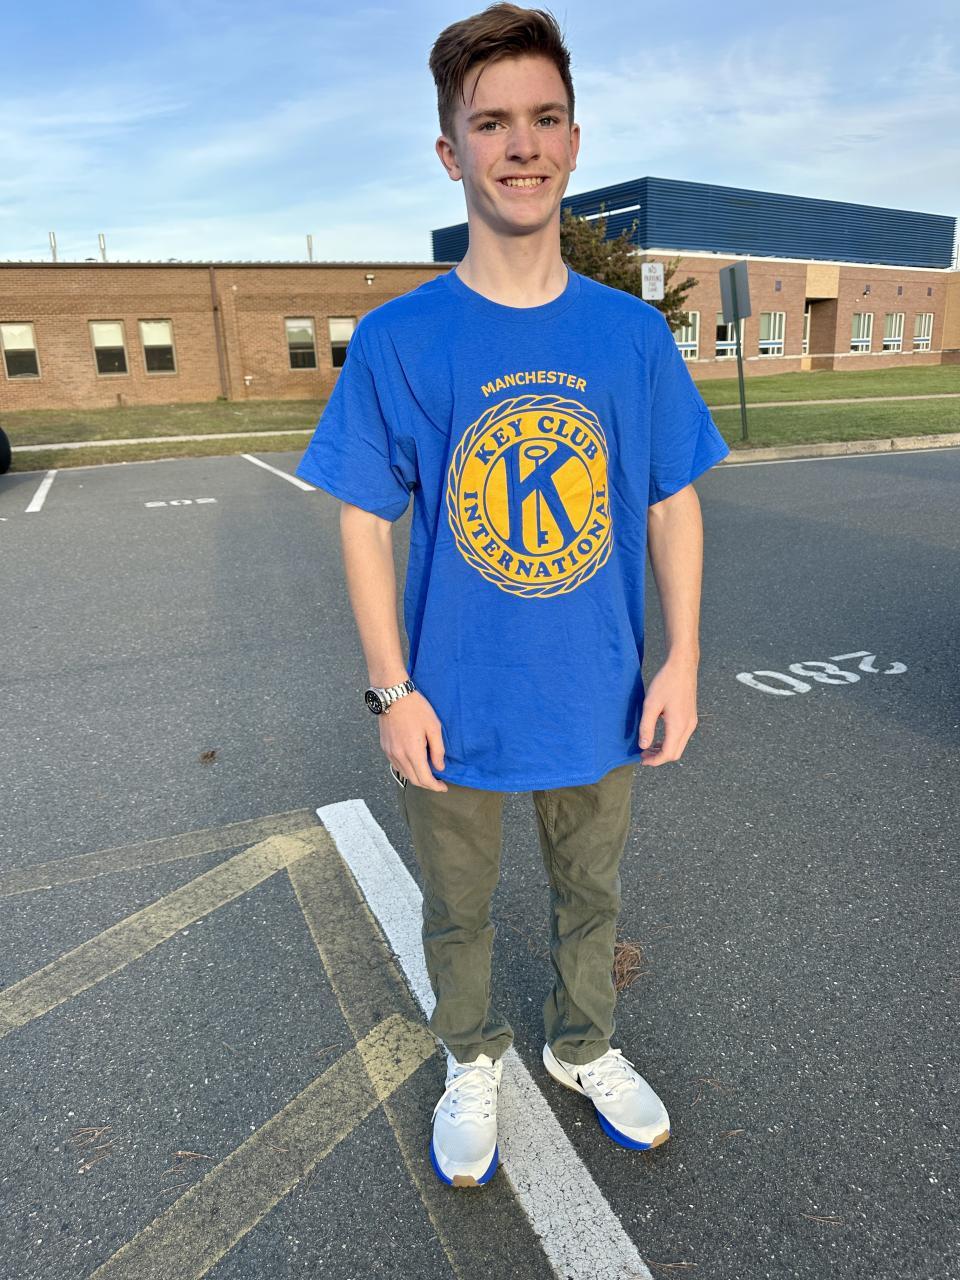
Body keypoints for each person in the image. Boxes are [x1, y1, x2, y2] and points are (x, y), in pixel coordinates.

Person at [295, 2, 730, 1189]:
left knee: (593, 893)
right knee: (457, 906)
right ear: (452, 152)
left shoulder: (631, 337)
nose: (521, 144)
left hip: (601, 691)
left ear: (574, 141)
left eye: (543, 119)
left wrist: (684, 656)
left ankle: (582, 1043)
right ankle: (470, 1054)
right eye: (491, 123)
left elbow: (672, 500)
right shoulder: (401, 339)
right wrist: (391, 689)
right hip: (453, 697)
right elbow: (364, 515)